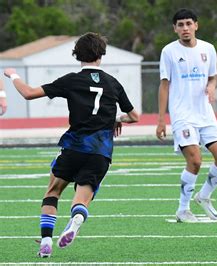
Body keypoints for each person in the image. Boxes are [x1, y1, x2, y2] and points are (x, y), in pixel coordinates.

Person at [4, 32, 139, 257]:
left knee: (53, 191)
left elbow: (28, 94)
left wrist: (14, 75)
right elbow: (134, 116)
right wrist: (116, 119)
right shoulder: (112, 82)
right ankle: (77, 218)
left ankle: (46, 242)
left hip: (75, 147)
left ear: (77, 55)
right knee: (82, 199)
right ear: (101, 54)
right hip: (101, 152)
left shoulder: (71, 80)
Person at [156, 8, 217, 223]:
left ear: (196, 25)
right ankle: (183, 209)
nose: (185, 28)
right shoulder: (168, 51)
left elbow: (212, 77)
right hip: (182, 115)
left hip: (205, 114)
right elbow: (164, 85)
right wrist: (162, 119)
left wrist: (212, 87)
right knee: (195, 161)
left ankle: (204, 196)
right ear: (175, 29)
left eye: (189, 23)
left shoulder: (208, 48)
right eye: (180, 25)